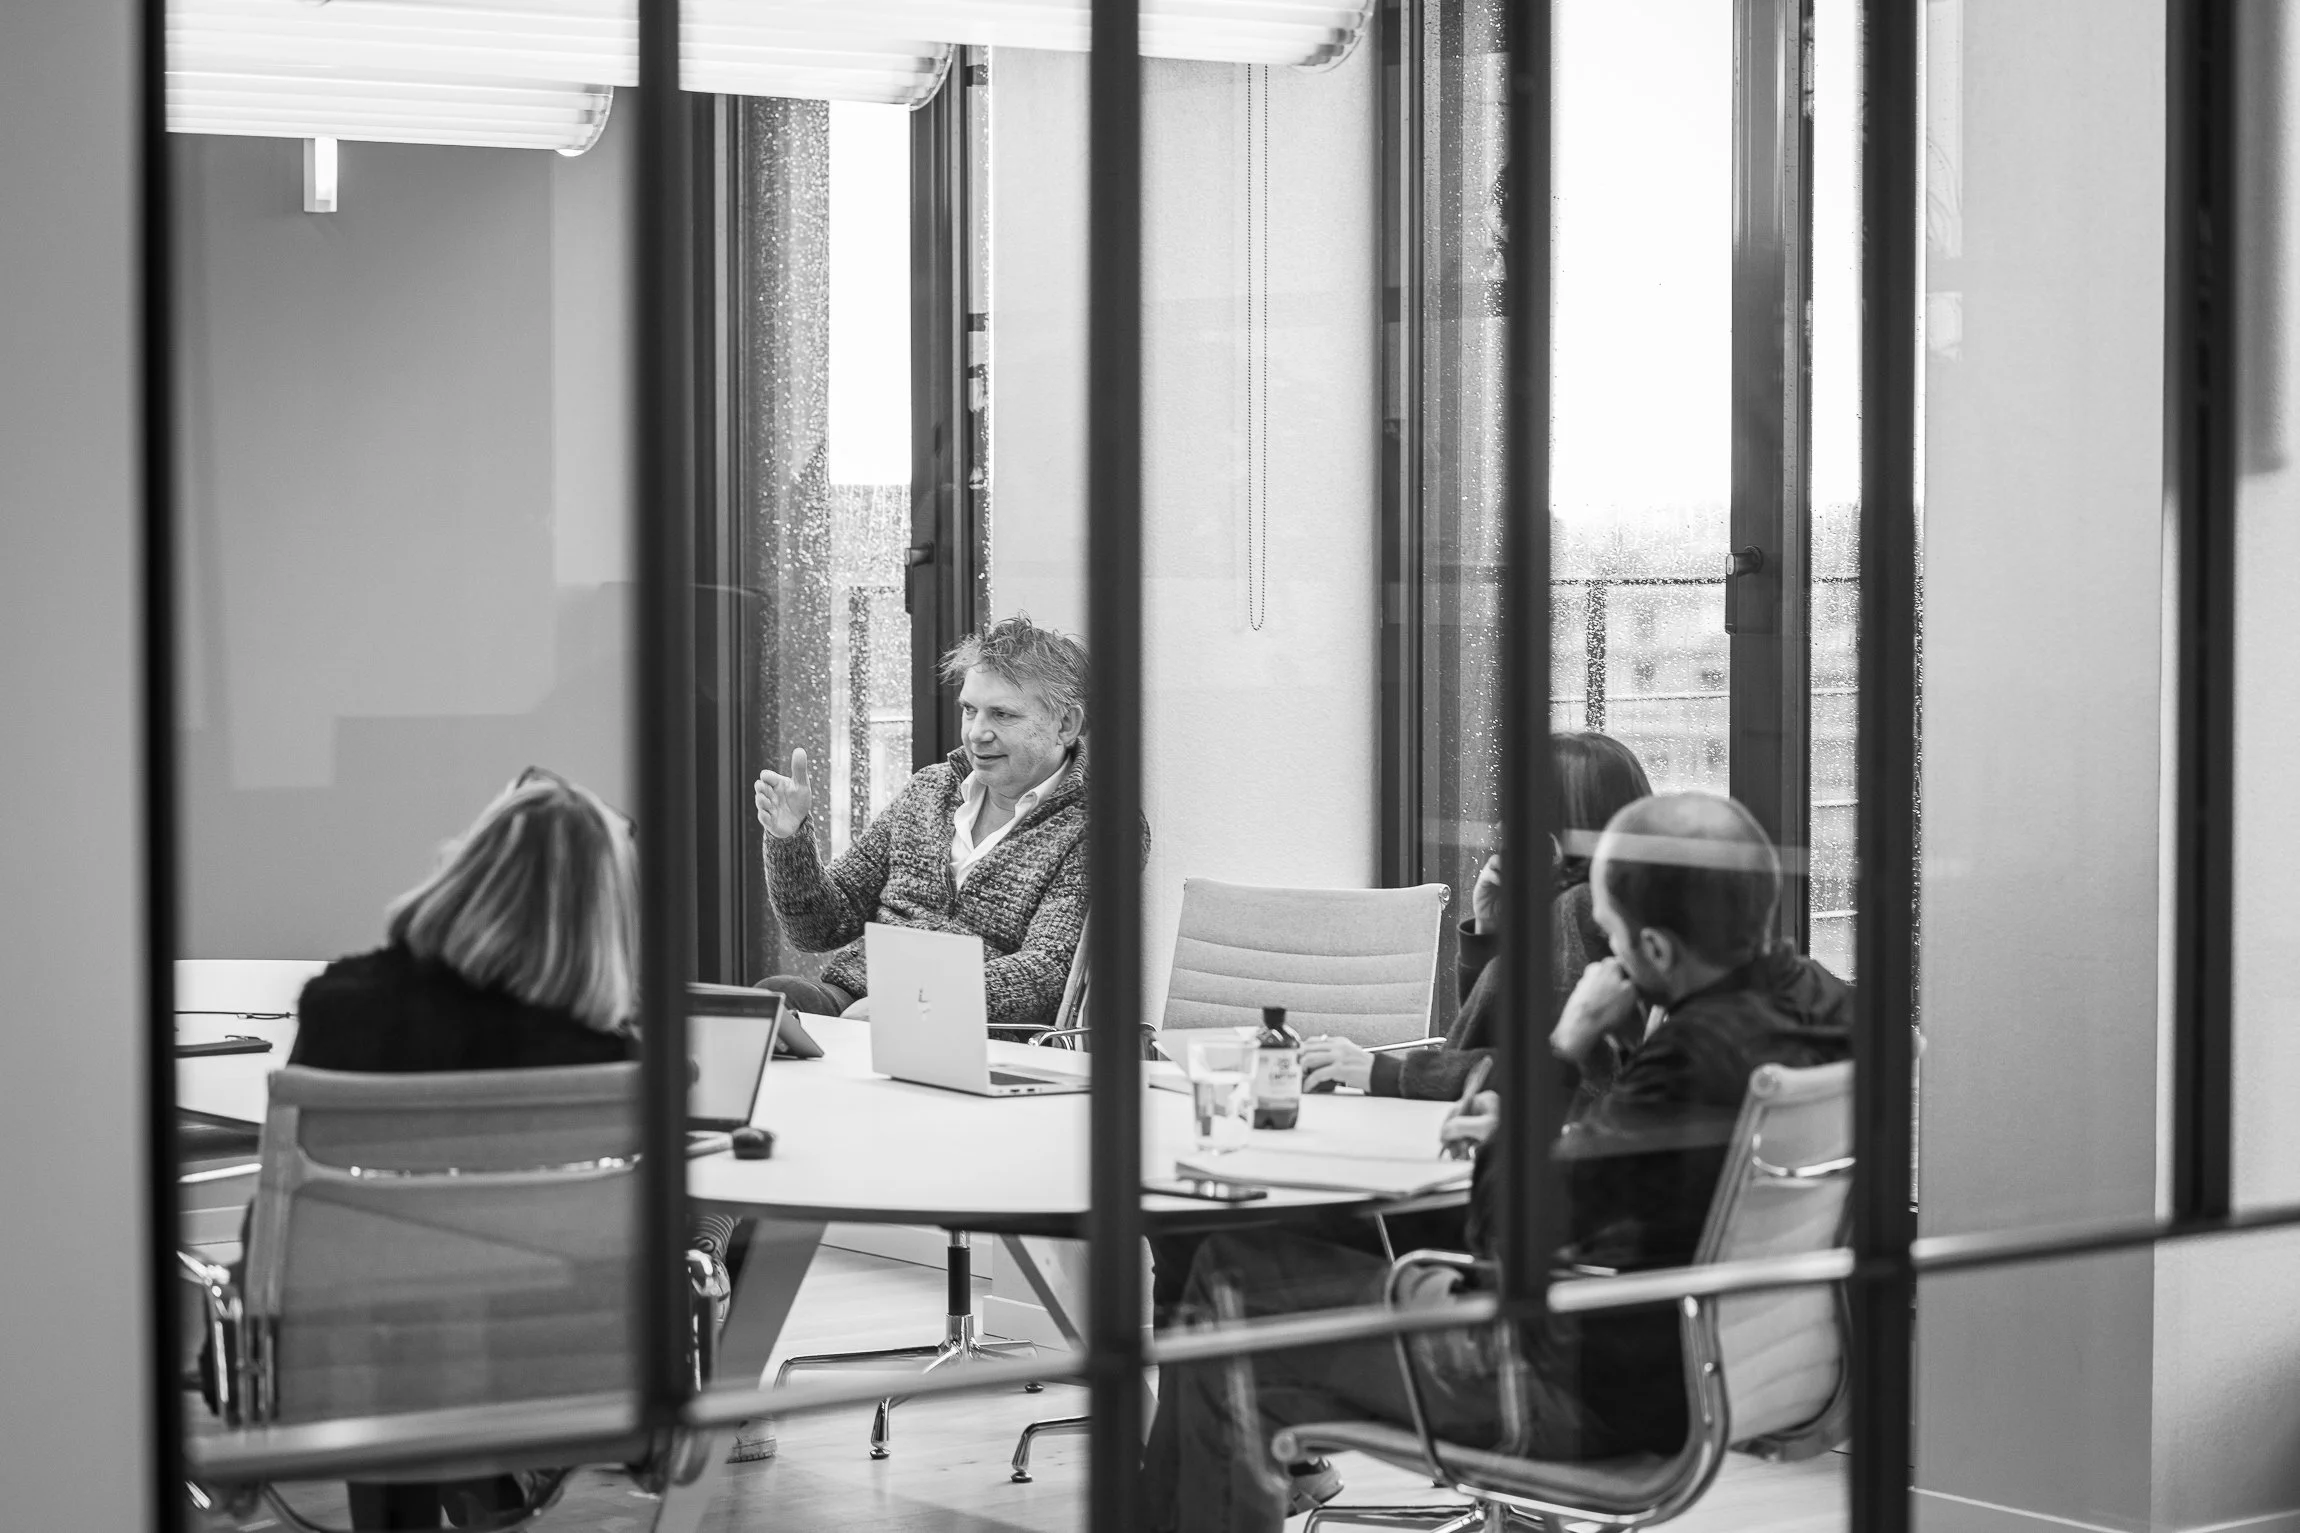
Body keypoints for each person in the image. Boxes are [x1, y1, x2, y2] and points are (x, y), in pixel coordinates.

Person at [1141, 792, 1854, 1533]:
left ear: (1656, 950)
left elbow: (1500, 1233)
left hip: (1570, 1388)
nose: (1605, 960)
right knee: (1262, 1301)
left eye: (1610, 938)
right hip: (1732, 1370)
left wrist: (1563, 1049)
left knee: (1226, 1283)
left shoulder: (1689, 1061)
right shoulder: (1833, 1010)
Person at [276, 767, 641, 1530]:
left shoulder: (340, 1006)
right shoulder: (603, 1056)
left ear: (467, 872)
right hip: (545, 1355)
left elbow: (291, 1200)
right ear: (595, 914)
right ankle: (493, 1485)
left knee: (392, 1299)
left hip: (339, 1345)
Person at [752, 614, 1101, 1031]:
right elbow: (819, 928)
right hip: (857, 1000)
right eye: (969, 710)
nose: (976, 733)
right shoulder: (930, 789)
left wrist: (905, 1005)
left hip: (974, 1031)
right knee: (773, 1002)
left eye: (1002, 715)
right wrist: (788, 839)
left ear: (1066, 725)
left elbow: (1045, 974)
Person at [1301, 731, 1652, 1099]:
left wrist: (1388, 1073)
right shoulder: (1584, 909)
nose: (1501, 827)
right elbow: (1500, 1038)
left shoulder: (1580, 909)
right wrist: (1489, 933)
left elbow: (1567, 1076)